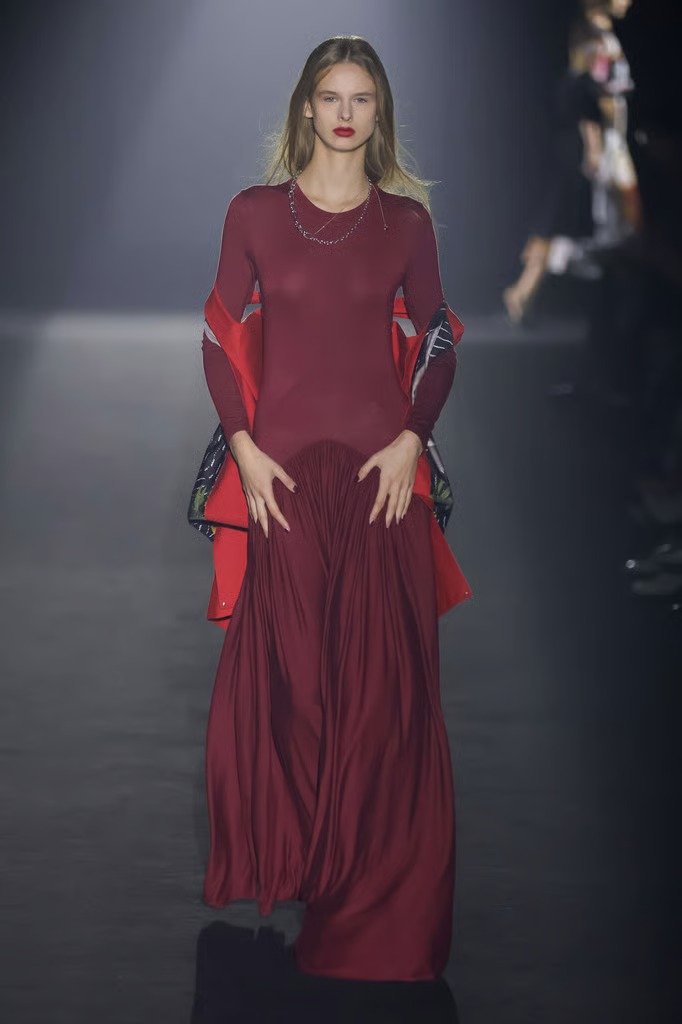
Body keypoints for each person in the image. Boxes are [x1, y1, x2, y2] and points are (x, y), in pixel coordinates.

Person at [194, 35, 472, 981]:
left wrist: (413, 439)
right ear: (306, 108)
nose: (345, 113)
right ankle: (316, 865)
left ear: (379, 111)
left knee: (384, 704)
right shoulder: (253, 214)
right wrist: (243, 448)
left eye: (361, 98)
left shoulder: (407, 224)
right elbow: (216, 336)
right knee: (301, 695)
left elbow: (438, 337)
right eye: (330, 96)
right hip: (283, 487)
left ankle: (374, 906)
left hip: (382, 484)